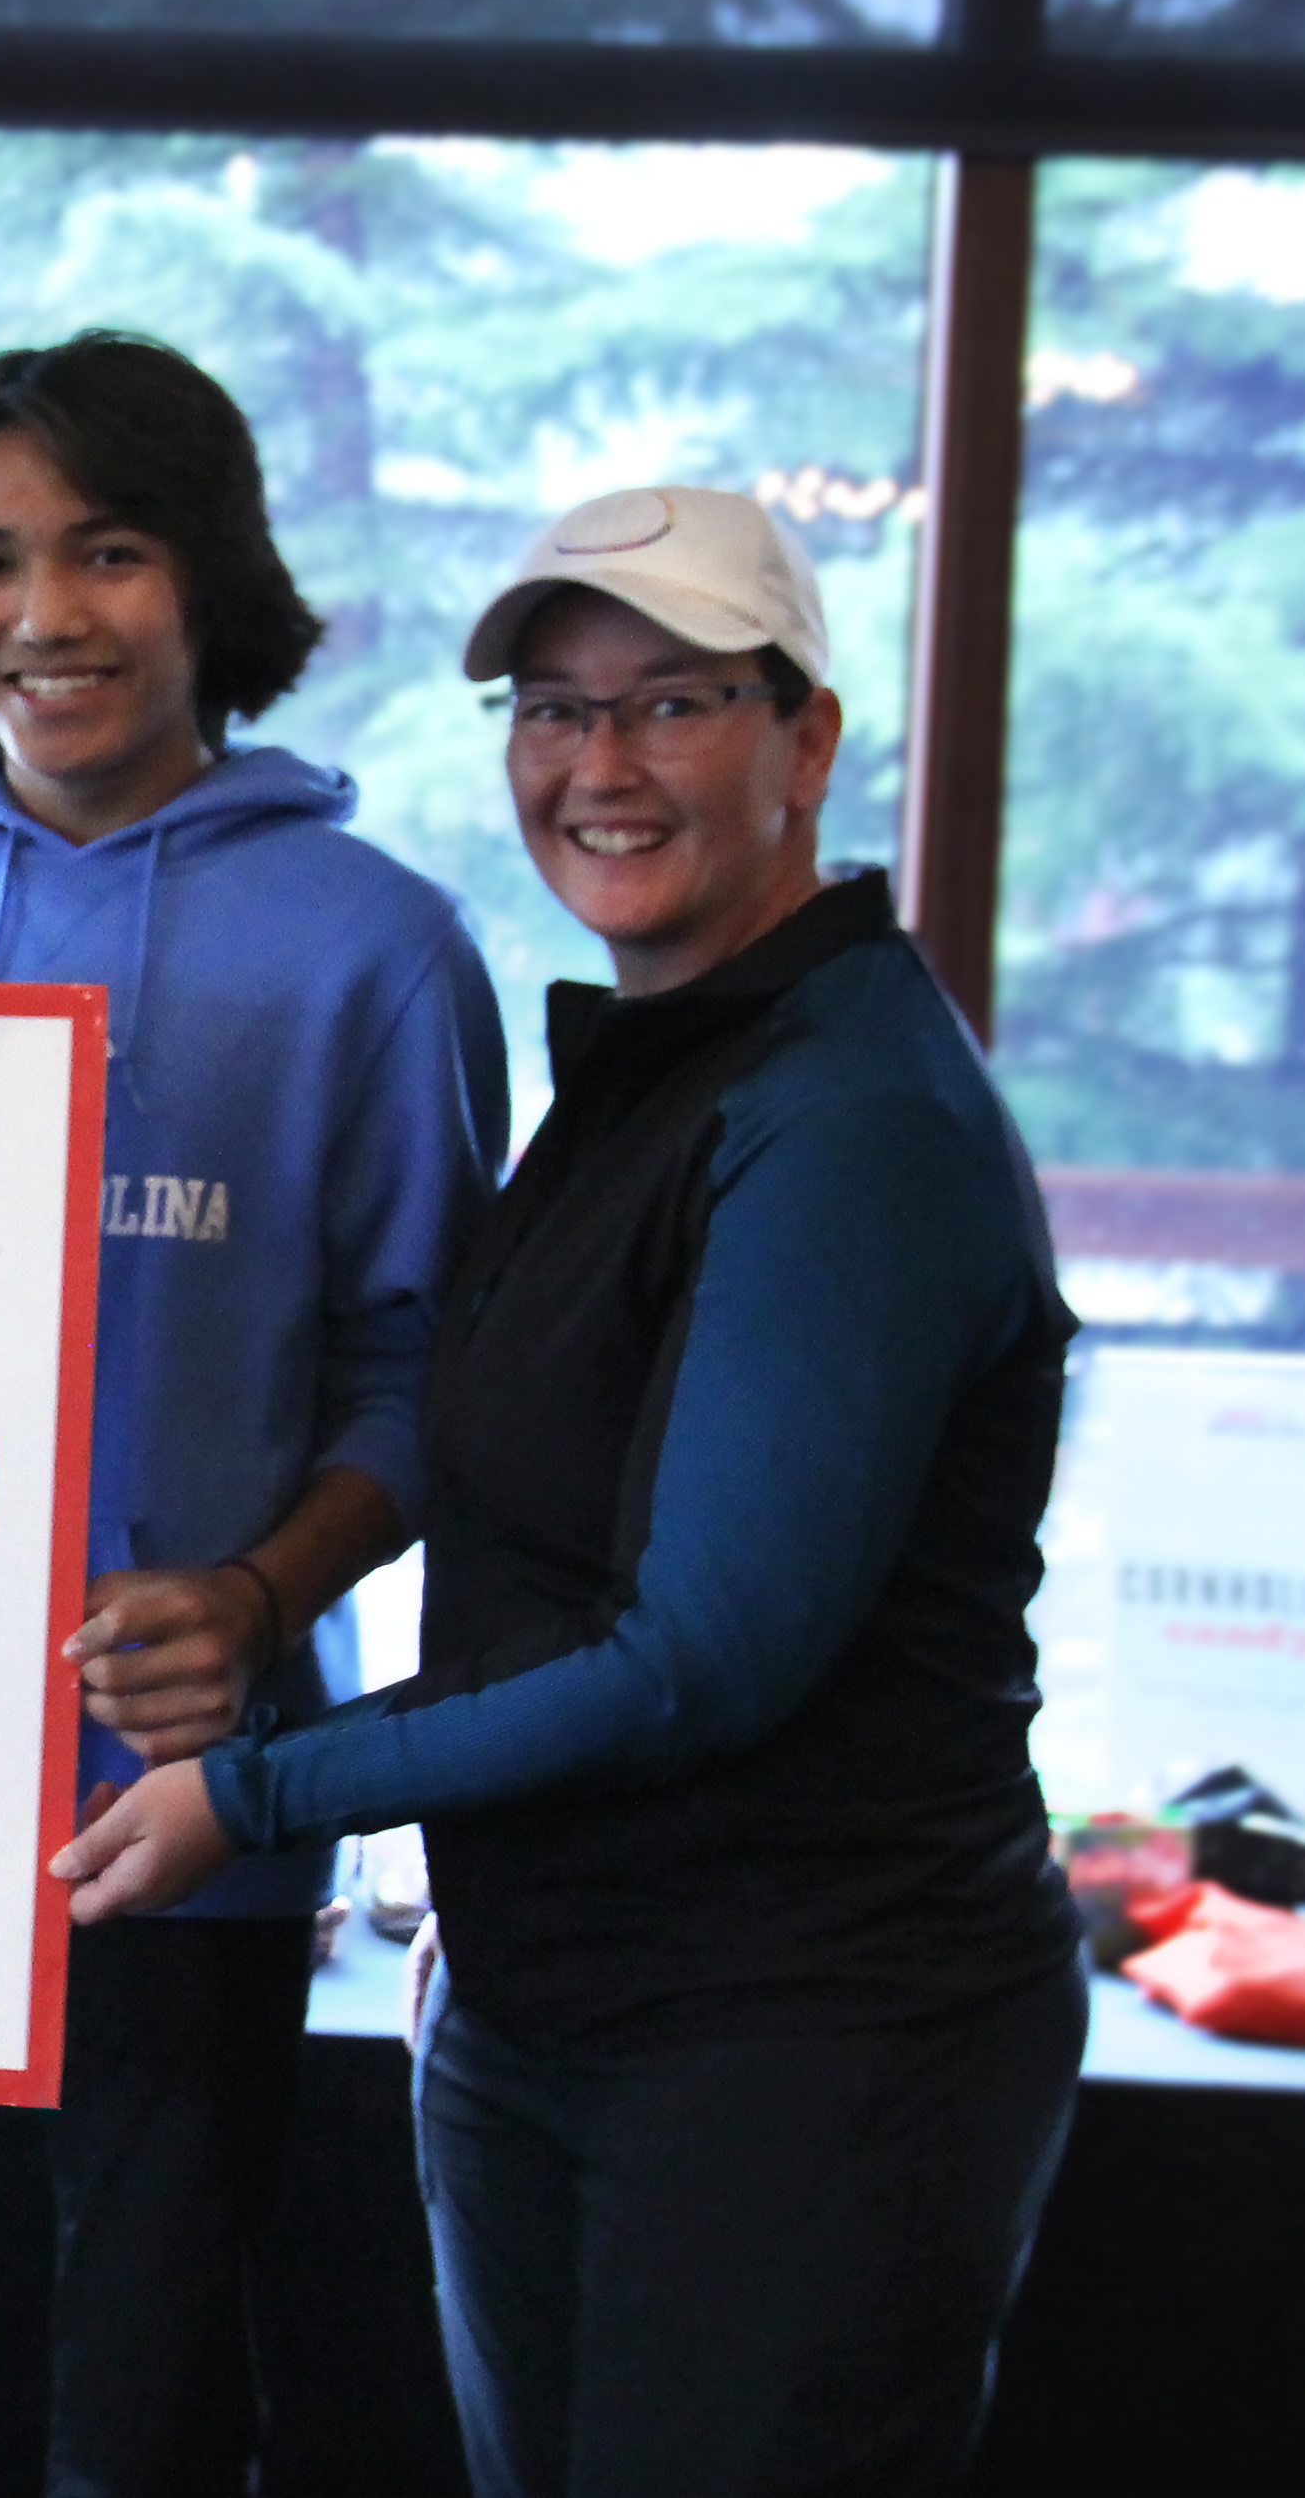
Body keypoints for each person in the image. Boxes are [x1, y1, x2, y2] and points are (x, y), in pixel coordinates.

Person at [54, 486, 1089, 2498]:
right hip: (563, 2006)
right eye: (547, 708)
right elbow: (504, 1465)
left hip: (799, 2055)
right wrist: (264, 1605)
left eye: (670, 702)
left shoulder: (848, 1113)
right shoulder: (658, 1066)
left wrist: (255, 1784)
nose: (593, 765)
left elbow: (699, 1653)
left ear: (805, 738)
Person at [0, 332, 509, 2495]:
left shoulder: (380, 951)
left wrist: (251, 1602)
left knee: (146, 2412)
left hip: (181, 1810)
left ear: (206, 579)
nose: (39, 614)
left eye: (105, 549)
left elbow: (431, 1381)